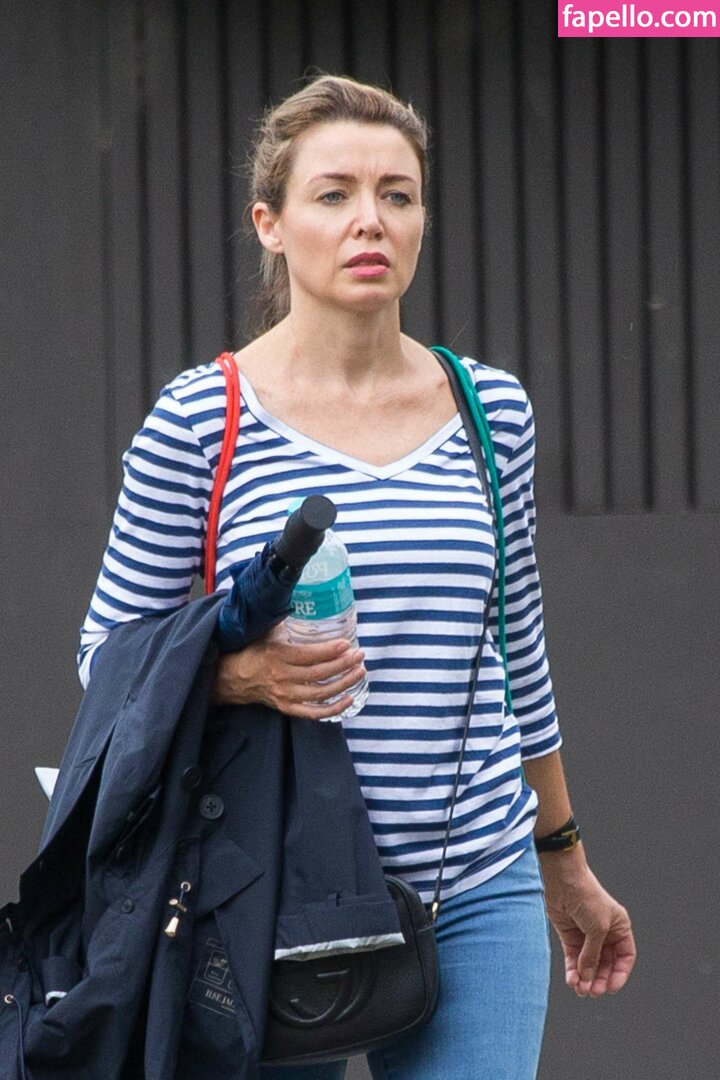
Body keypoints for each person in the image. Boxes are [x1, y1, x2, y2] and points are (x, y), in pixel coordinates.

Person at [79, 74, 636, 1080]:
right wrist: (240, 675)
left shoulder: (490, 410)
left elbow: (516, 647)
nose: (369, 220)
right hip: (264, 893)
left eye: (397, 194)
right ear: (271, 224)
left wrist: (563, 856)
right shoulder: (202, 419)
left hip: (477, 883)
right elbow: (106, 657)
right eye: (333, 194)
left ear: (422, 220)